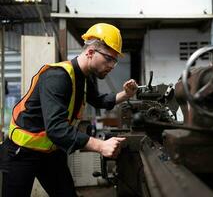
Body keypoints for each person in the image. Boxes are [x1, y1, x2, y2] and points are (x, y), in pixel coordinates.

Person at [0, 23, 138, 197]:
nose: (111, 65)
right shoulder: (57, 77)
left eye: (115, 60)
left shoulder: (85, 78)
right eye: (109, 58)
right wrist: (100, 145)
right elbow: (56, 128)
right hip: (21, 152)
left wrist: (126, 94)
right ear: (90, 52)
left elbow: (99, 100)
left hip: (50, 152)